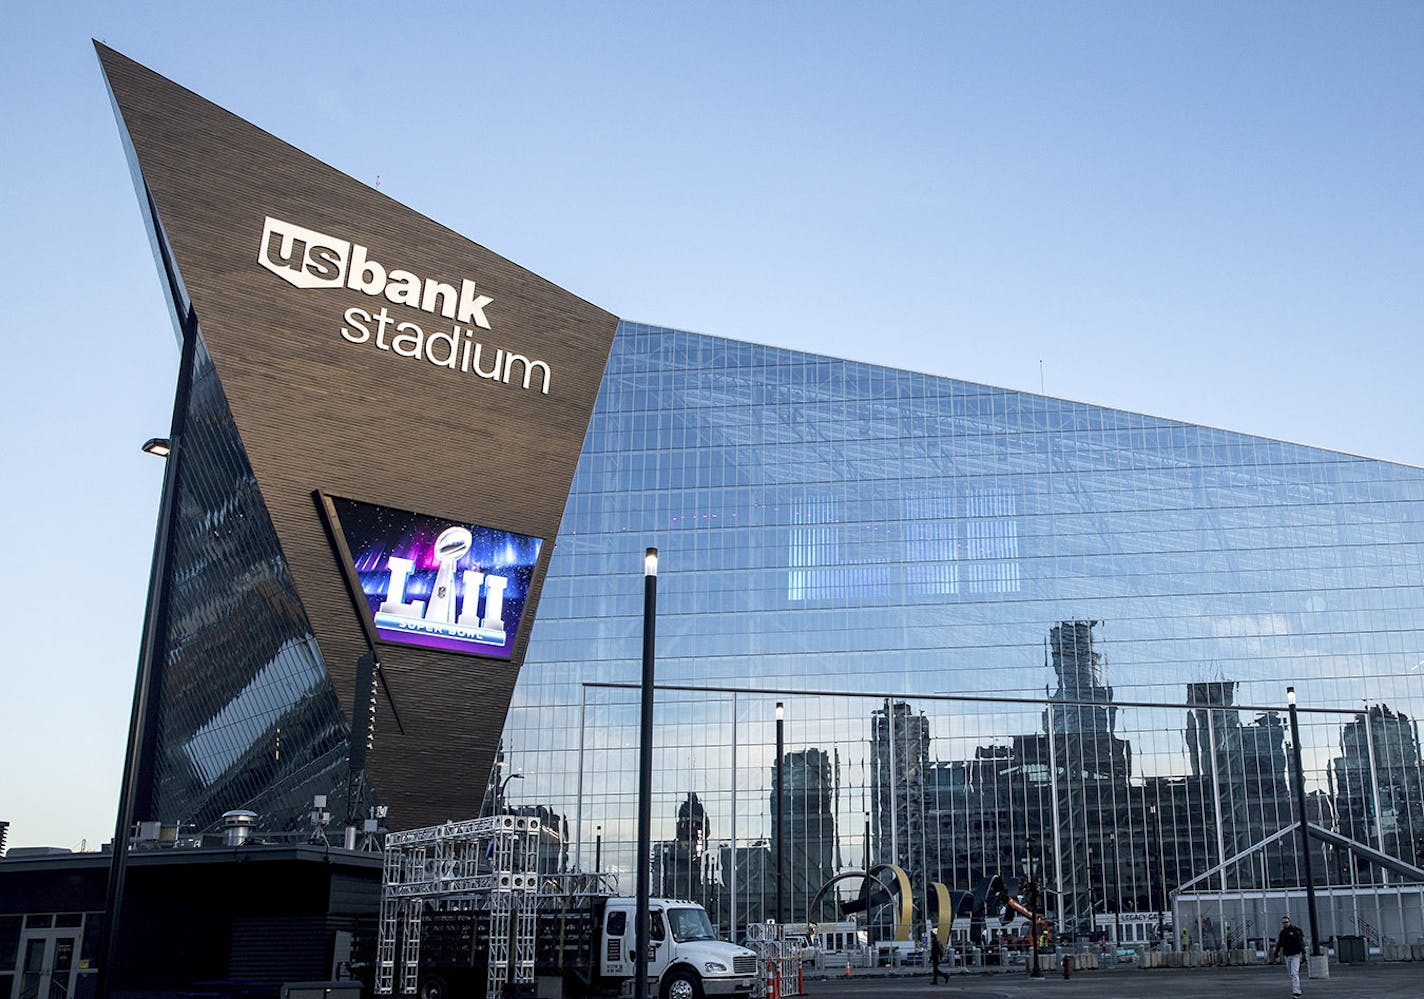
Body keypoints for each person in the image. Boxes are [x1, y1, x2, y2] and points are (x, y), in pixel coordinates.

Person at [1275, 915, 1306, 997]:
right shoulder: (1283, 933)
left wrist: (1303, 954)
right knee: (1291, 974)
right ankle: (1296, 989)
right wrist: (1276, 953)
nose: (1285, 924)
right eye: (1283, 922)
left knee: (1294, 973)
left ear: (1290, 922)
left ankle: (1296, 992)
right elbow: (1279, 943)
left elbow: (1300, 943)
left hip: (1295, 955)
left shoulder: (1296, 931)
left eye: (1286, 922)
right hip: (1287, 955)